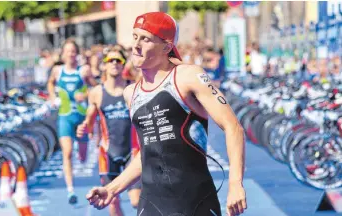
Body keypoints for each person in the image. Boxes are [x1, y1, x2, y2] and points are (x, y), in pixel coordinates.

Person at [86, 12, 247, 216]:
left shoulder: (188, 77)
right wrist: (112, 189)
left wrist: (235, 184)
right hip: (151, 203)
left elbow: (233, 127)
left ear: (167, 46)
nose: (136, 45)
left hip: (194, 202)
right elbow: (148, 153)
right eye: (135, 36)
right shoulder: (131, 93)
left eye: (145, 39)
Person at [76, 47, 141, 216]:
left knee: (136, 201)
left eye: (118, 60)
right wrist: (84, 128)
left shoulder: (132, 89)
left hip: (132, 152)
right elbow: (89, 122)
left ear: (123, 65)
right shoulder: (97, 92)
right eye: (110, 60)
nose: (114, 63)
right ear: (103, 65)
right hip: (108, 153)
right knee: (112, 202)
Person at [47, 39, 97, 204]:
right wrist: (53, 97)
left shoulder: (83, 71)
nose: (70, 54)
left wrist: (86, 94)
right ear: (63, 53)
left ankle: (81, 153)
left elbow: (96, 88)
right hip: (65, 117)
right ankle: (70, 190)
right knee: (67, 153)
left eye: (73, 51)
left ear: (77, 53)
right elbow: (50, 83)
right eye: (67, 51)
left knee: (82, 157)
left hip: (81, 119)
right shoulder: (57, 70)